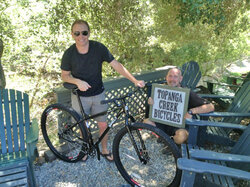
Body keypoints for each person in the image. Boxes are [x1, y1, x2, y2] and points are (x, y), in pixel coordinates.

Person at [61, 20, 145, 162]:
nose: (81, 36)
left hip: (99, 94)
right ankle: (85, 148)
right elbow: (64, 75)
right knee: (82, 126)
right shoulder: (69, 53)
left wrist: (134, 80)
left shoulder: (98, 48)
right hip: (79, 96)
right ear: (72, 34)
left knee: (103, 124)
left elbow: (116, 65)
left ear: (89, 33)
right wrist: (77, 82)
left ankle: (105, 149)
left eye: (84, 32)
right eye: (77, 33)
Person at [144, 67, 214, 144]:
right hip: (162, 123)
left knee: (181, 136)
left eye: (175, 76)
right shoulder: (159, 91)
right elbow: (149, 115)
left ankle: (171, 144)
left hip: (178, 126)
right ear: (166, 78)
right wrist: (150, 104)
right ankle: (163, 139)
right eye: (170, 76)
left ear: (180, 79)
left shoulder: (186, 93)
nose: (172, 79)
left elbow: (210, 106)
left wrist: (191, 112)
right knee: (146, 122)